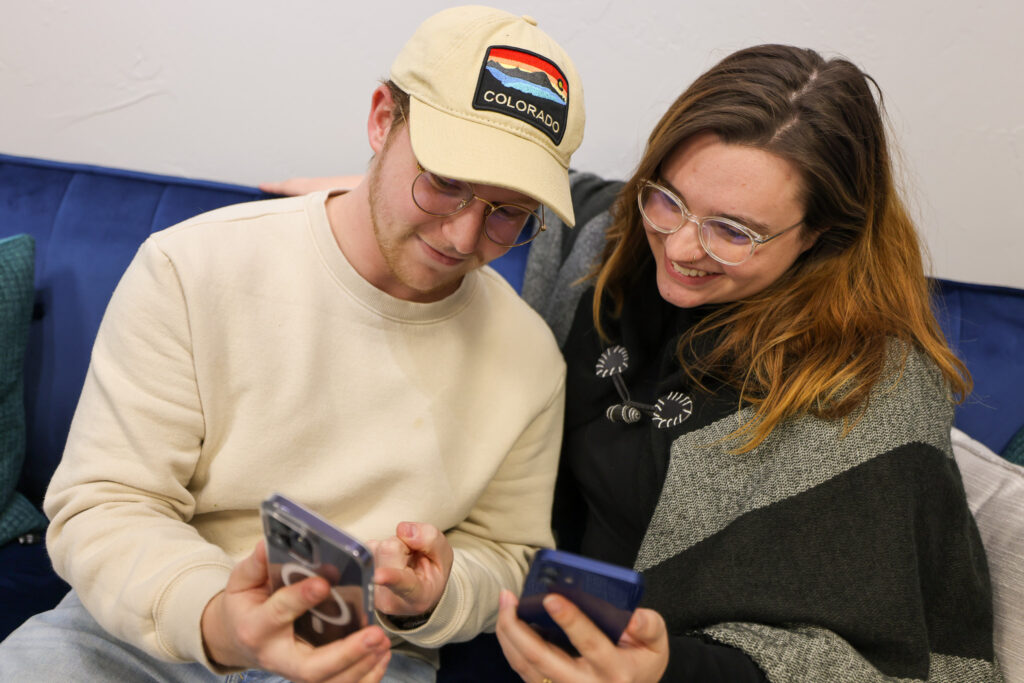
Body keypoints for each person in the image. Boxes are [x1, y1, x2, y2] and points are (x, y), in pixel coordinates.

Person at [0, 6, 585, 683]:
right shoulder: (193, 267)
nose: (462, 237)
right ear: (380, 120)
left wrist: (444, 590)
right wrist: (221, 619)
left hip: (367, 650)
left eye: (507, 210)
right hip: (152, 623)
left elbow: (506, 551)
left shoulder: (529, 356)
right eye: (445, 182)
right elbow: (109, 502)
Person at [492, 44, 1001, 682]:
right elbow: (498, 189)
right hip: (510, 627)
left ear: (821, 234)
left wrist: (660, 674)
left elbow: (883, 661)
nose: (679, 247)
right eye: (669, 200)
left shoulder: (874, 389)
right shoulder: (614, 245)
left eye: (733, 231)